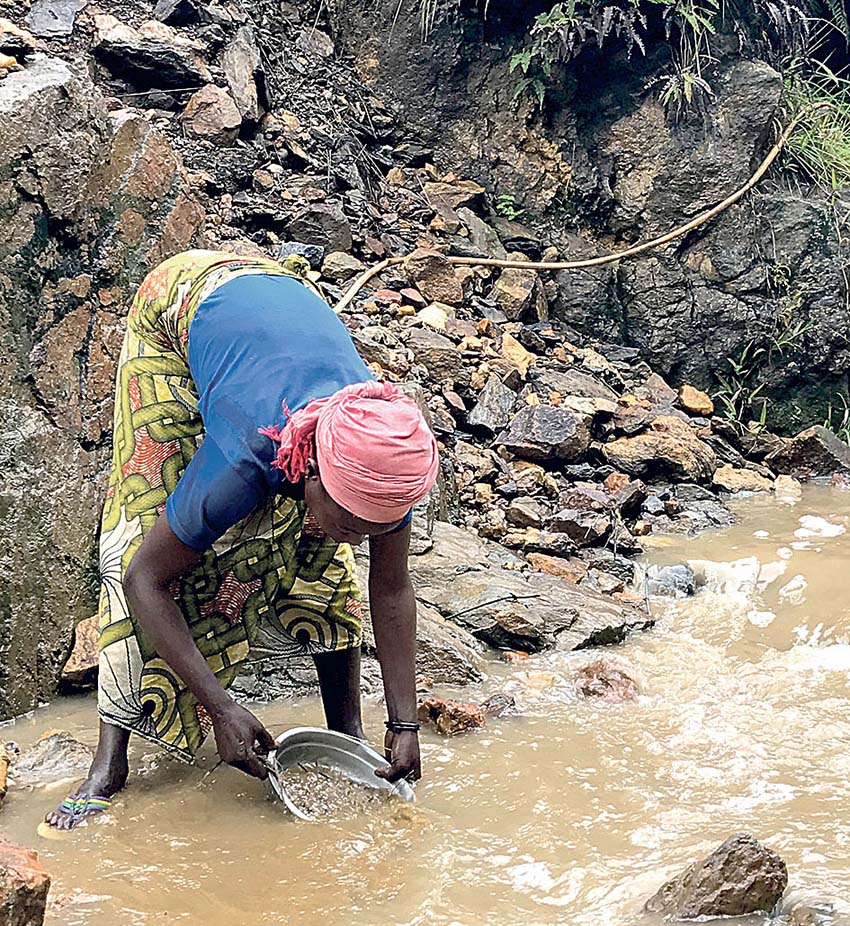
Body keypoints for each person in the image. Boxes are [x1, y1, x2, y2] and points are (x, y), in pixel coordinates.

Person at [46, 249, 439, 830]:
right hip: (180, 309)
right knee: (143, 525)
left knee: (323, 558)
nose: (364, 538)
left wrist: (404, 722)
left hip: (278, 303)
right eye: (355, 523)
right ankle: (110, 762)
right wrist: (220, 708)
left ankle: (347, 734)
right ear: (309, 469)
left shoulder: (382, 458)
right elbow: (143, 580)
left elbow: (390, 587)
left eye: (376, 527)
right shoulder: (247, 455)